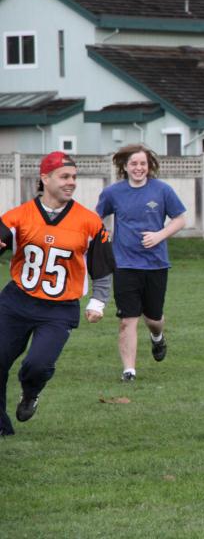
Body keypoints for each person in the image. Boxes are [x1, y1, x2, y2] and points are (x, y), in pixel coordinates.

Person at [0, 152, 116, 436]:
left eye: (74, 177)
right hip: (17, 301)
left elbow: (102, 267)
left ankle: (30, 393)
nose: (71, 182)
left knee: (37, 365)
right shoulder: (17, 216)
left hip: (59, 308)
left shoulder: (89, 221)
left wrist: (98, 302)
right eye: (64, 177)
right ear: (45, 178)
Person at [96, 144, 186, 382]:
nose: (138, 168)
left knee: (153, 319)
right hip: (124, 264)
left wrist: (159, 235)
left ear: (149, 166)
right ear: (125, 167)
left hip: (156, 264)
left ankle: (157, 337)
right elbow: (96, 219)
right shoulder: (112, 193)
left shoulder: (162, 190)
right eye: (133, 163)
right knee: (127, 320)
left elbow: (180, 219)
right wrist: (101, 238)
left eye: (143, 163)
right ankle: (129, 371)